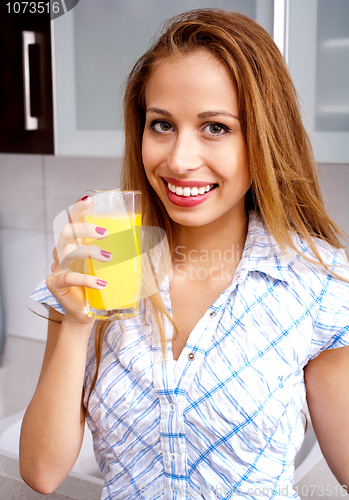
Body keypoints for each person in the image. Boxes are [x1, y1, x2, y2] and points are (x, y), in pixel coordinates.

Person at [19, 8, 349, 500]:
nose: (178, 159)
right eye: (162, 125)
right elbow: (41, 473)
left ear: (263, 139)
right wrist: (77, 323)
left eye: (215, 128)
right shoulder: (102, 262)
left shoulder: (315, 281)